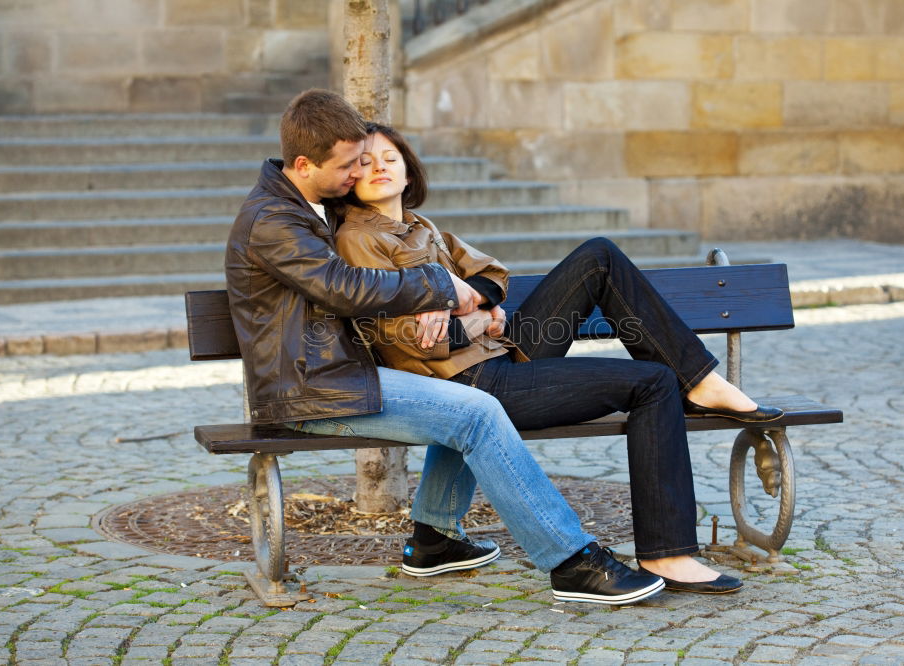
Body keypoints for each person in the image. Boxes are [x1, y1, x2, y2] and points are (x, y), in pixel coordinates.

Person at [224, 88, 666, 606]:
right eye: (347, 165)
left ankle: (434, 540)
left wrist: (466, 303)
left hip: (346, 374)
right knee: (477, 412)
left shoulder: (303, 206)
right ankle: (571, 562)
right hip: (315, 389)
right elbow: (344, 287)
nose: (354, 175)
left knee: (456, 400)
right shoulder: (273, 220)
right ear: (303, 164)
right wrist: (439, 287)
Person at [333, 123, 786, 594]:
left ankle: (698, 379)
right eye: (364, 162)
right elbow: (410, 339)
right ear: (349, 180)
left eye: (389, 157)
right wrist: (474, 320)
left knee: (598, 258)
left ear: (409, 173)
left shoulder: (423, 229)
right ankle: (668, 553)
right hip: (472, 382)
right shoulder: (357, 241)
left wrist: (481, 302)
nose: (379, 167)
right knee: (652, 383)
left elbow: (491, 274)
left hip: (501, 353)